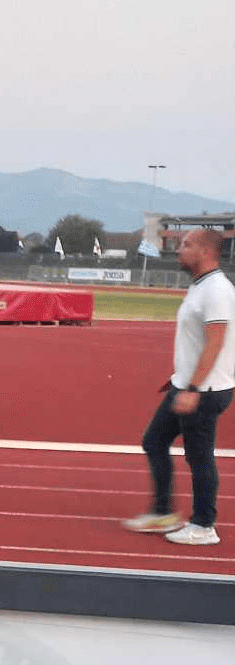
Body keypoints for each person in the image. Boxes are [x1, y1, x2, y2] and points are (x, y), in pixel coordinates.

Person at [124, 226, 235, 547]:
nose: (178, 249)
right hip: (186, 384)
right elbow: (196, 341)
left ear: (206, 251)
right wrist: (180, 379)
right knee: (154, 441)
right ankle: (163, 513)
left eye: (186, 244)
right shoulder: (200, 286)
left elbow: (215, 343)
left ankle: (204, 525)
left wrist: (192, 389)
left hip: (204, 391)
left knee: (199, 457)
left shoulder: (217, 290)